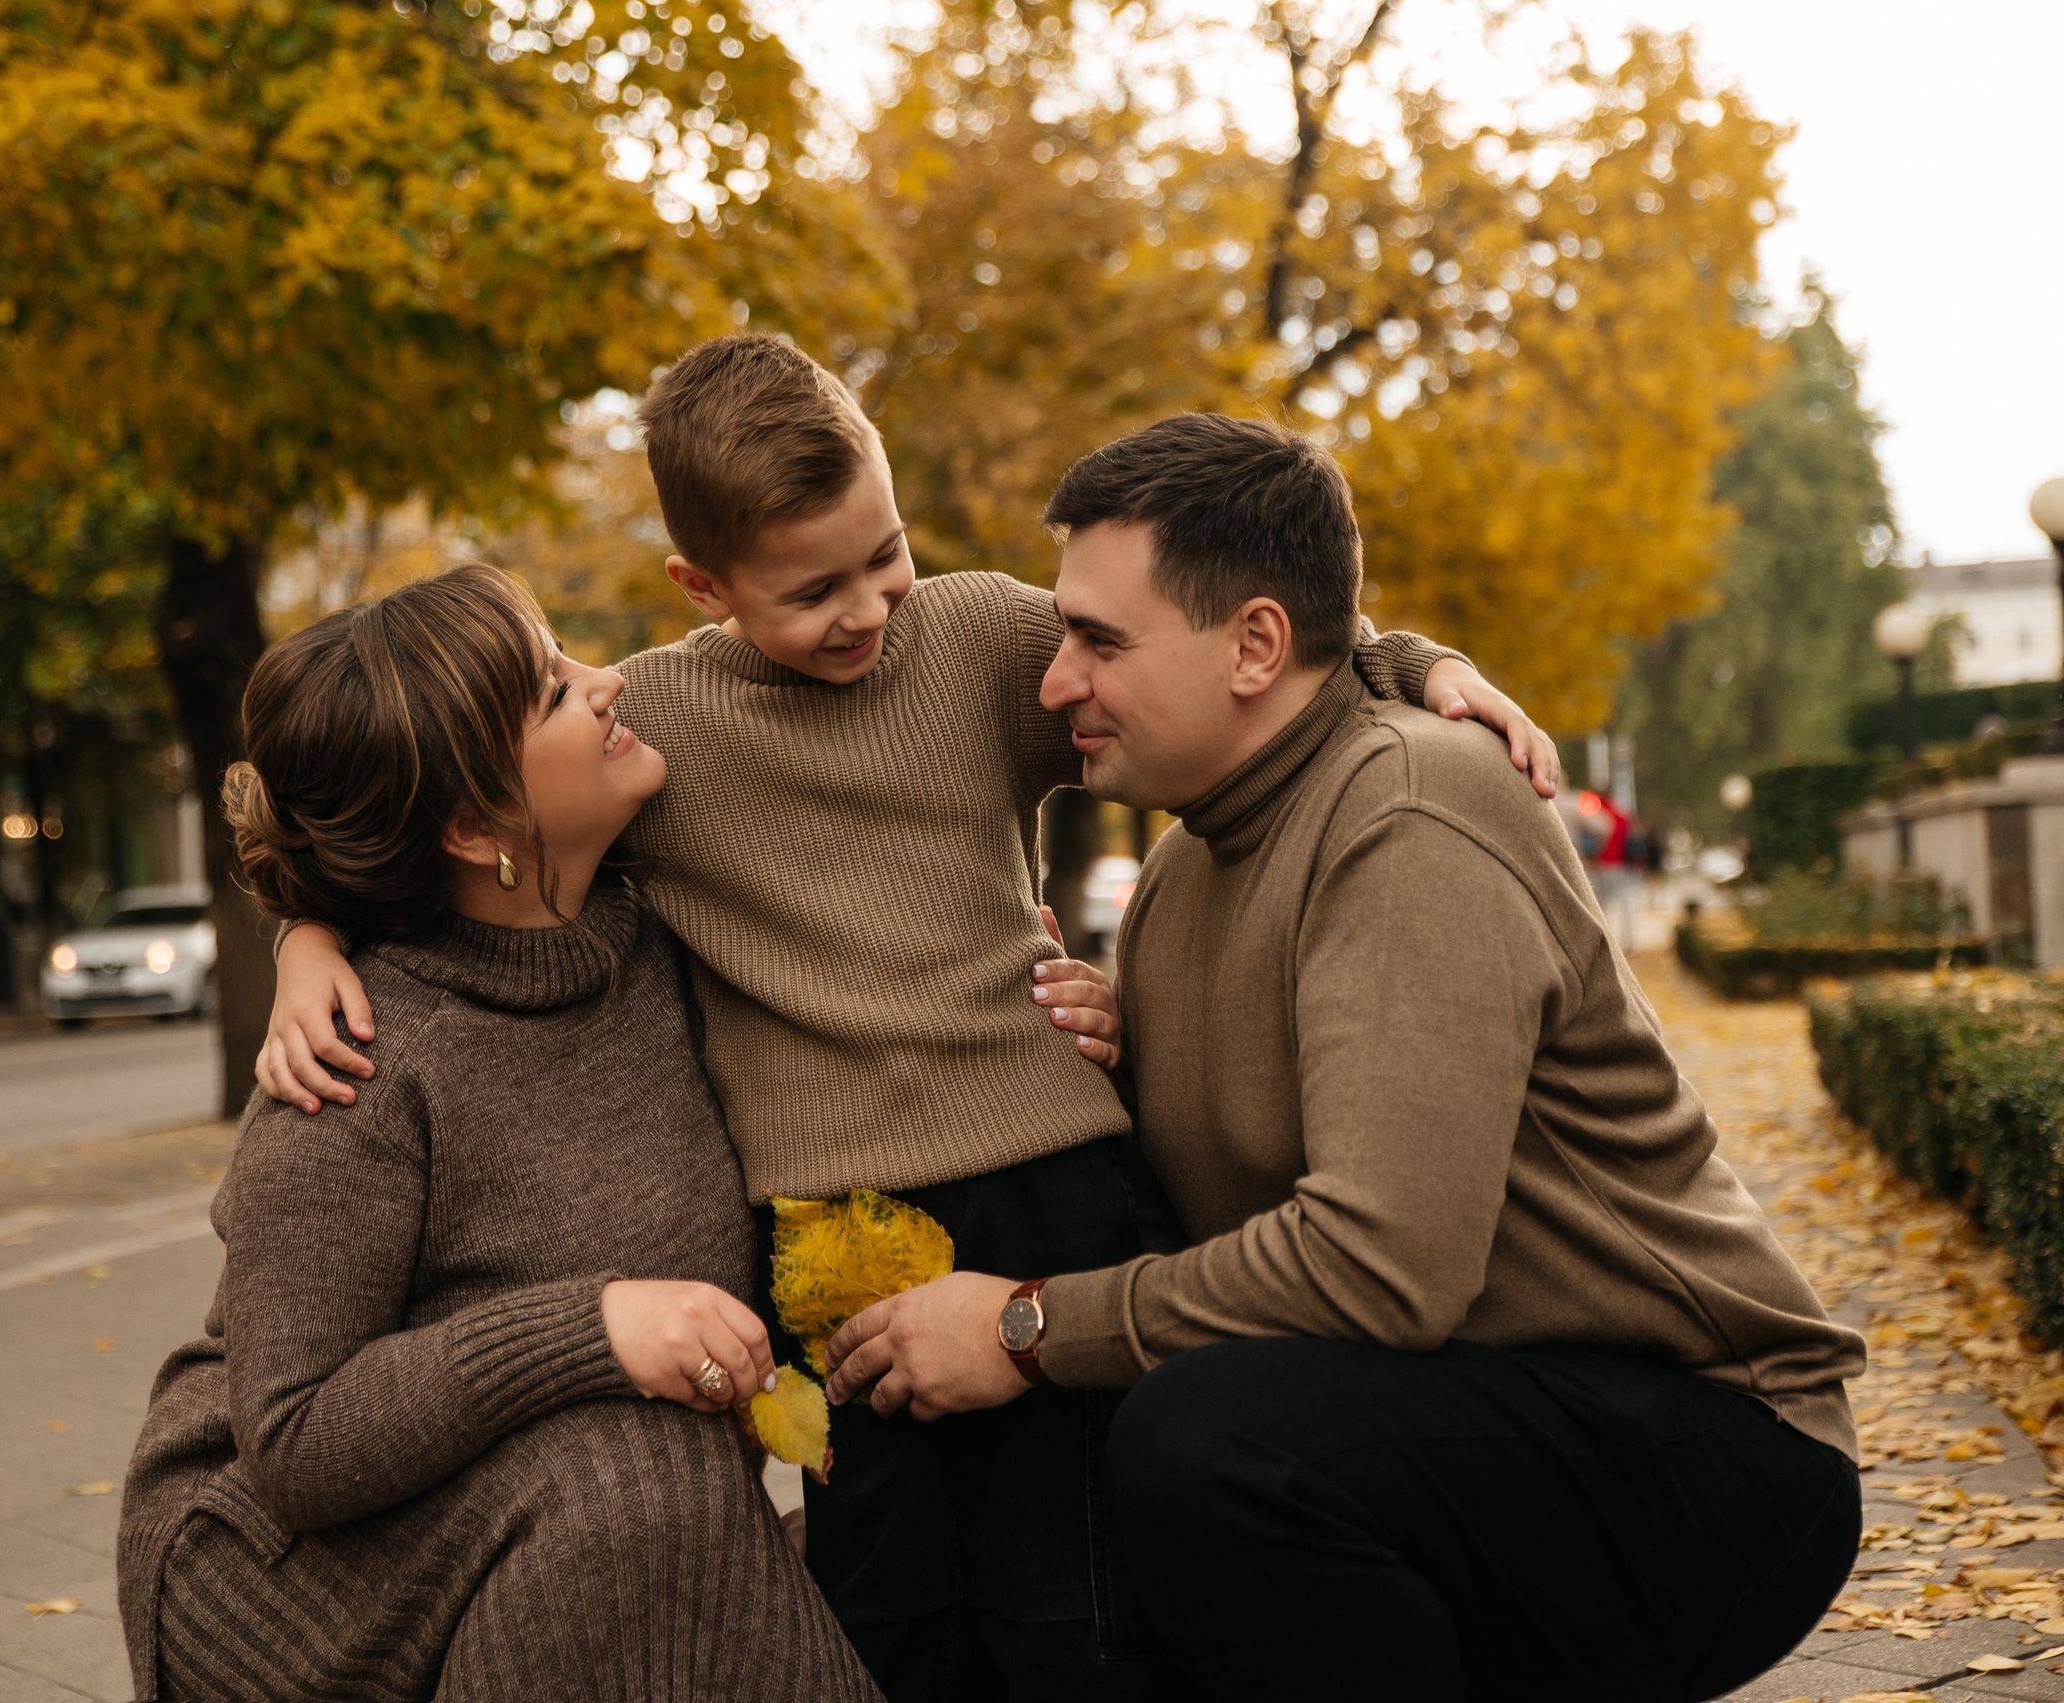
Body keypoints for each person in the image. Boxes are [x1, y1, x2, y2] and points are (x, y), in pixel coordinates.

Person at [256, 336, 1565, 1702]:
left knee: (1075, 1579)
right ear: (703, 586)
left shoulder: (980, 636)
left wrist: (1421, 665)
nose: (869, 603)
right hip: (832, 1227)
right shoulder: (652, 727)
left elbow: (1242, 651)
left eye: (886, 551)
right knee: (883, 1583)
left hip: (1054, 1171)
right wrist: (310, 936)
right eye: (811, 587)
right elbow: (457, 827)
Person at [823, 415, 1868, 1703]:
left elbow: (1385, 1267)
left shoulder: (1410, 810)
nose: (1053, 683)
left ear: (1257, 644)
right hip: (1457, 1416)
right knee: (1124, 1440)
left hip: (1711, 1453)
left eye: (1098, 640)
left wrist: (1027, 1325)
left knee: (1210, 1441)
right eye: (1059, 637)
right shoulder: (1180, 870)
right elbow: (1190, 1228)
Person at [115, 565, 879, 1703]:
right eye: (555, 693)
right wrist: (594, 1324)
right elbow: (294, 1436)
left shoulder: (664, 924)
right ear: (473, 825)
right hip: (279, 1571)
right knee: (639, 1483)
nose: (610, 681)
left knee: (664, 1503)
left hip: (550, 1492)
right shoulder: (358, 1062)